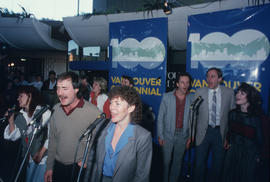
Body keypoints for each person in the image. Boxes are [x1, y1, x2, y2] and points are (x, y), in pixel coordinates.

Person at [87, 86, 152, 182]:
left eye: (117, 104)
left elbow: (142, 176)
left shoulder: (143, 137)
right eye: (111, 103)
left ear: (130, 108)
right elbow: (91, 162)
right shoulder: (102, 126)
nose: (111, 107)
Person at [44, 72, 100, 182]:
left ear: (76, 89)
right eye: (58, 88)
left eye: (64, 88)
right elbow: (53, 140)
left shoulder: (93, 112)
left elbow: (100, 141)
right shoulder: (56, 109)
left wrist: (88, 157)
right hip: (58, 167)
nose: (59, 93)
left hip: (79, 168)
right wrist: (49, 167)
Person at [192, 67, 235, 182]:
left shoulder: (229, 93)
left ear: (220, 79)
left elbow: (232, 116)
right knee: (199, 165)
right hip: (203, 133)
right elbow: (194, 114)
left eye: (212, 76)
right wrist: (192, 134)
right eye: (207, 76)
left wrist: (228, 136)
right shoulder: (199, 92)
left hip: (220, 133)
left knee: (218, 166)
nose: (209, 79)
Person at [4, 85, 51, 182]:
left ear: (30, 96)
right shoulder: (21, 116)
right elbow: (14, 136)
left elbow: (52, 136)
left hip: (44, 159)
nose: (18, 99)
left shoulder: (44, 112)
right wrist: (11, 121)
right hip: (30, 159)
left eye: (21, 96)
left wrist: (40, 154)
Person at [222, 82, 263, 182]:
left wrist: (258, 156)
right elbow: (229, 132)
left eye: (242, 93)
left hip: (249, 156)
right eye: (237, 92)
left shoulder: (258, 118)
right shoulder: (232, 114)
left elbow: (261, 140)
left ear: (250, 97)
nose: (237, 95)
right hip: (233, 153)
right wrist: (227, 141)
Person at [157, 72, 194, 182]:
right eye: (182, 82)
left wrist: (190, 137)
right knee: (166, 162)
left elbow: (193, 120)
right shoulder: (167, 97)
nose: (185, 85)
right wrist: (160, 135)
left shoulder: (192, 98)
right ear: (177, 84)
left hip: (183, 136)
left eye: (187, 82)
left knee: (177, 163)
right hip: (168, 135)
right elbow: (160, 118)